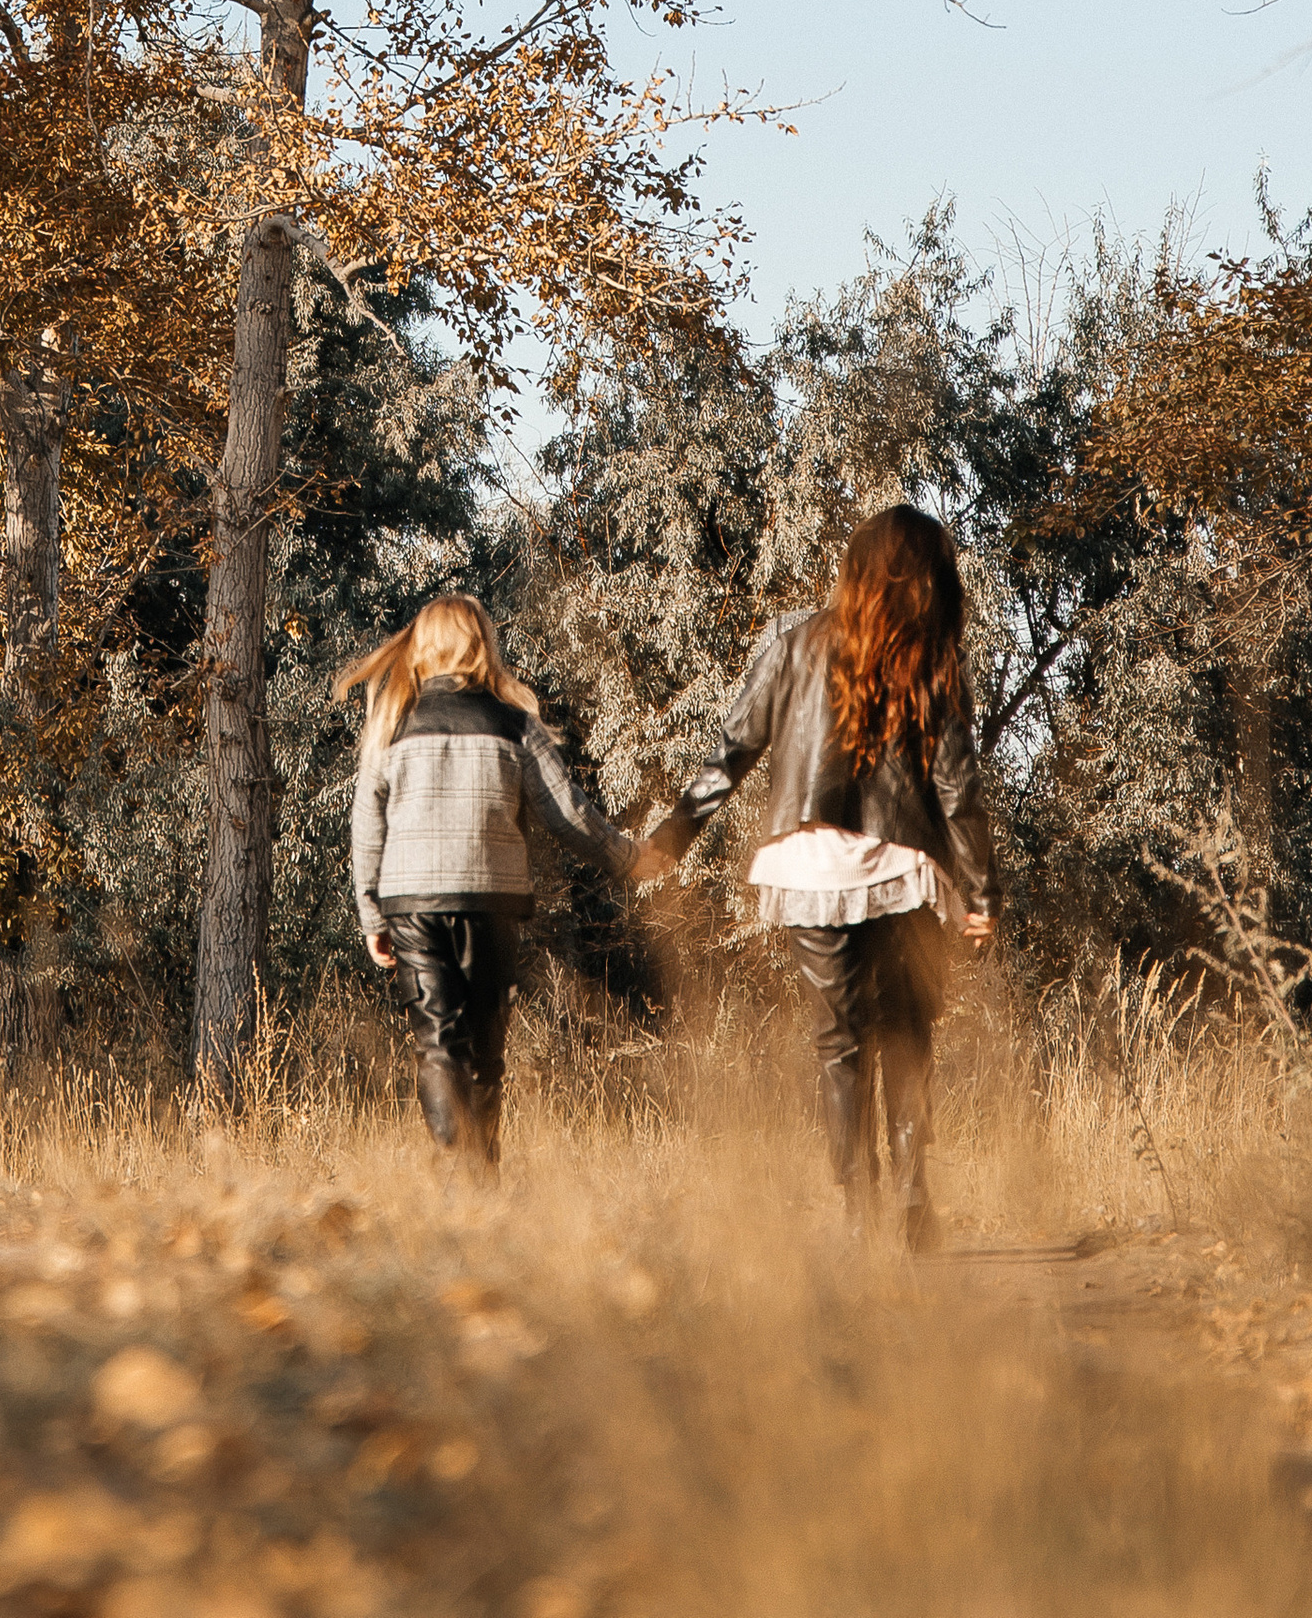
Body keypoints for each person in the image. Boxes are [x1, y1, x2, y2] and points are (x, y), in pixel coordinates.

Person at [627, 504, 996, 1248]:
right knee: (907, 1034)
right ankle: (912, 1204)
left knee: (839, 1044)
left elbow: (733, 750)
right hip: (903, 869)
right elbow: (957, 790)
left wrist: (673, 835)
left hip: (808, 867)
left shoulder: (794, 644)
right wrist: (982, 894)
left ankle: (859, 1216)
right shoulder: (929, 657)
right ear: (930, 580)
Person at [343, 589, 625, 1164]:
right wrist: (628, 856)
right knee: (486, 1050)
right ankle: (478, 1170)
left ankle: (460, 1167)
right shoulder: (514, 723)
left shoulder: (391, 724)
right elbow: (568, 815)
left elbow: (367, 826)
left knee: (438, 1042)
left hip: (412, 902)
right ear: (481, 646)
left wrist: (372, 916)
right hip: (491, 898)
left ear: (422, 648)